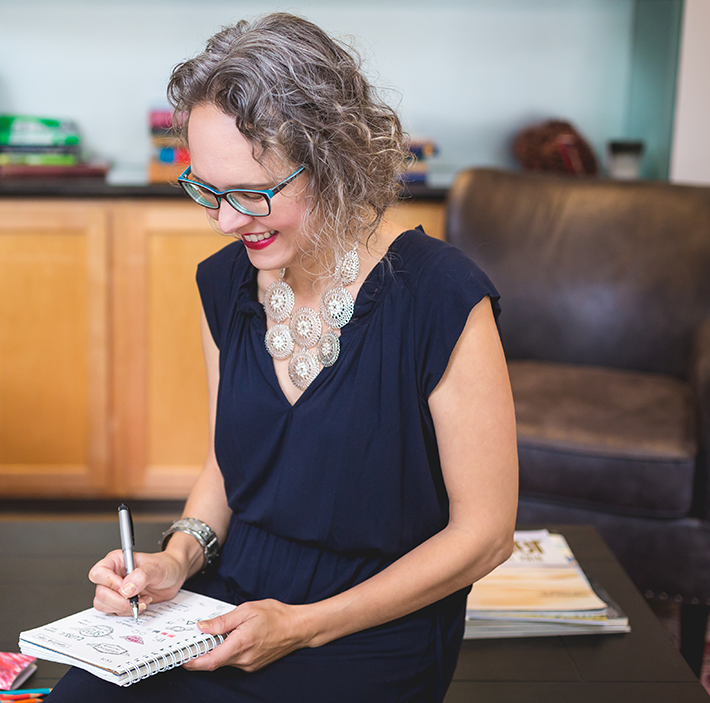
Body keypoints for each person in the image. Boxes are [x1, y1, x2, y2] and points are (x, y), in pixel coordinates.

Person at [47, 12, 517, 702]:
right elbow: (228, 462)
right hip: (232, 598)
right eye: (207, 190)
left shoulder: (442, 297)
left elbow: (485, 536)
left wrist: (302, 626)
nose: (228, 221)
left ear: (332, 165)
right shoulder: (224, 283)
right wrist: (178, 557)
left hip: (371, 627)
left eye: (252, 193)